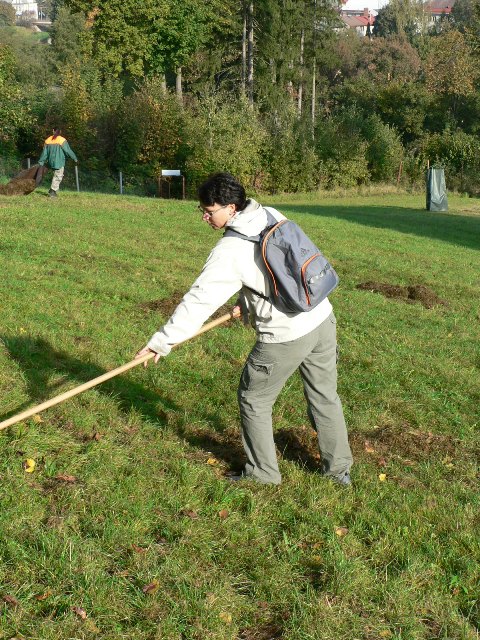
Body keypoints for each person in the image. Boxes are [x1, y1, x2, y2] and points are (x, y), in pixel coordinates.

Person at [135, 173, 353, 486]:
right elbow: (278, 267)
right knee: (324, 396)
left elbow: (198, 302)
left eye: (210, 211)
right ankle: (339, 471)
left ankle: (263, 475)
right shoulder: (270, 214)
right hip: (321, 317)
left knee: (254, 400)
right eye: (202, 211)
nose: (205, 218)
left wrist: (161, 342)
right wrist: (246, 300)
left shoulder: (229, 251)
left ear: (233, 208)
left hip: (285, 336)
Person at [38, 128, 77, 198]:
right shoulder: (62, 140)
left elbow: (44, 153)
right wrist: (74, 158)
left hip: (50, 162)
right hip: (59, 162)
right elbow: (68, 151)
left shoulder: (48, 140)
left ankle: (52, 190)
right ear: (60, 132)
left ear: (53, 131)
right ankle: (52, 191)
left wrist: (41, 161)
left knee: (56, 176)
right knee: (58, 176)